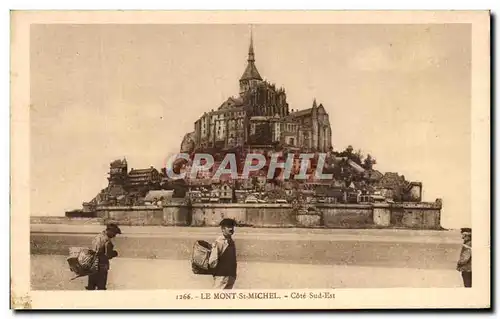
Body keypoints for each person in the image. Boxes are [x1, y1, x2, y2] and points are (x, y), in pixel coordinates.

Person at [86, 223, 122, 290]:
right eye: (114, 233)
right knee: (101, 288)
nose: (114, 235)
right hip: (102, 267)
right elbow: (108, 255)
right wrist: (115, 253)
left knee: (91, 287)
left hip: (92, 265)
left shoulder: (98, 236)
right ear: (110, 231)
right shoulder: (107, 241)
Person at [208, 218, 237, 289]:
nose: (231, 229)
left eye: (232, 226)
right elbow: (212, 261)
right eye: (228, 227)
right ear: (222, 229)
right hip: (221, 276)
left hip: (231, 276)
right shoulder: (219, 242)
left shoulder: (231, 242)